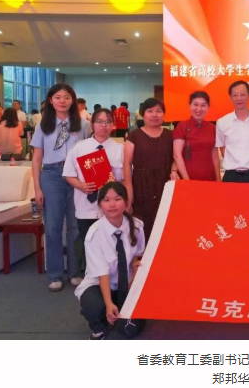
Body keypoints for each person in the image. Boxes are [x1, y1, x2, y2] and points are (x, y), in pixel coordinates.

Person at [31, 83, 91, 292]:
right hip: (52, 175)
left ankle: (75, 272)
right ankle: (55, 274)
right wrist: (37, 188)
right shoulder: (43, 125)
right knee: (53, 227)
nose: (62, 101)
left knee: (75, 226)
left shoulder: (83, 124)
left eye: (66, 97)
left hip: (76, 175)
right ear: (50, 100)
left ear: (73, 100)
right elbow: (36, 159)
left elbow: (89, 153)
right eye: (58, 97)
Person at [74, 182, 146, 340]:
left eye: (117, 199)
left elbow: (137, 255)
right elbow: (102, 273)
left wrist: (134, 272)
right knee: (94, 306)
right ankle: (98, 328)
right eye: (106, 200)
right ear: (100, 205)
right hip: (99, 285)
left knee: (131, 330)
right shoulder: (94, 234)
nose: (112, 204)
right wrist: (108, 304)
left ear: (126, 202)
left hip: (127, 284)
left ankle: (118, 313)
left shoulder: (137, 226)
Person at [63, 108, 124, 277]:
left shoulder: (120, 149)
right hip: (86, 206)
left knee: (111, 244)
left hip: (111, 208)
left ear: (113, 125)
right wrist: (81, 185)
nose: (104, 126)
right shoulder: (79, 148)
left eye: (108, 122)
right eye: (99, 122)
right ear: (92, 124)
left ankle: (111, 279)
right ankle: (90, 277)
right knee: (87, 243)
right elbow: (68, 174)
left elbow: (125, 178)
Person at [124, 98, 176, 242]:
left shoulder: (171, 135)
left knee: (165, 225)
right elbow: (127, 165)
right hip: (141, 187)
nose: (154, 115)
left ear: (164, 114)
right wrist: (129, 193)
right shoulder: (134, 136)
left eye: (158, 111)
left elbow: (176, 158)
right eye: (150, 111)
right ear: (143, 114)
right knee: (142, 228)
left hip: (165, 186)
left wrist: (174, 170)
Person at [216, 81, 249, 183]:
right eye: (235, 95)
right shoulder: (222, 122)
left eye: (242, 94)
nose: (239, 98)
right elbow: (222, 148)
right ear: (230, 97)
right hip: (231, 175)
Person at [174, 91, 220, 182]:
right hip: (188, 177)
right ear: (189, 106)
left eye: (203, 105)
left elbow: (215, 156)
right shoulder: (182, 126)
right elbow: (177, 155)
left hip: (210, 178)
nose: (199, 109)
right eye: (195, 104)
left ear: (208, 107)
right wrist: (187, 181)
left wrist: (218, 179)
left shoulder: (212, 128)